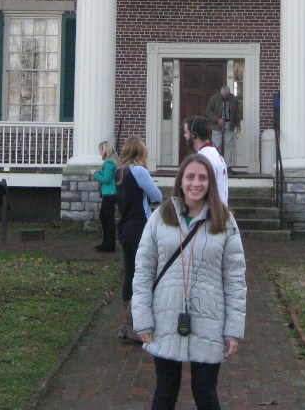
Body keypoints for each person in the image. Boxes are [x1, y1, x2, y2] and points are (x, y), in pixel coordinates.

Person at [132, 153, 247, 410]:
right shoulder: (160, 218)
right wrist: (142, 319)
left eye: (203, 178)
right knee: (165, 391)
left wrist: (233, 328)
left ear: (211, 183)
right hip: (165, 317)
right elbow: (143, 273)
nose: (196, 183)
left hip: (209, 319)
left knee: (205, 393)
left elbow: (235, 278)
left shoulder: (225, 222)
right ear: (180, 182)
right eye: (191, 177)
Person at [116, 136, 163, 342]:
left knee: (130, 275)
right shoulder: (139, 171)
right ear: (140, 152)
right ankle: (130, 324)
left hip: (125, 228)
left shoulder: (119, 172)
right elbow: (157, 197)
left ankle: (127, 321)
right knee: (142, 276)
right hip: (140, 229)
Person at [183, 116, 228, 206]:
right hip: (219, 212)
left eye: (186, 132)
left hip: (210, 214)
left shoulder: (203, 158)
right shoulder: (215, 154)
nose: (184, 136)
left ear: (193, 135)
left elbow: (200, 190)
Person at [91, 140, 118, 252]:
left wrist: (95, 174)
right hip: (110, 194)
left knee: (107, 219)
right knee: (105, 218)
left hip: (109, 194)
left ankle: (109, 245)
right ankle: (106, 242)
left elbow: (106, 180)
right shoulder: (111, 162)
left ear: (105, 150)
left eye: (101, 150)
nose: (100, 152)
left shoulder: (109, 163)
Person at [205, 85, 241, 162]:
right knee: (216, 144)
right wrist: (217, 119)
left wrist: (238, 124)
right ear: (221, 93)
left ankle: (227, 166)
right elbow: (208, 112)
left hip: (229, 124)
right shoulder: (214, 98)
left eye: (227, 96)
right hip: (216, 125)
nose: (225, 97)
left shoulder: (234, 99)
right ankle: (217, 163)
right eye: (223, 96)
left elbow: (237, 113)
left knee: (229, 145)